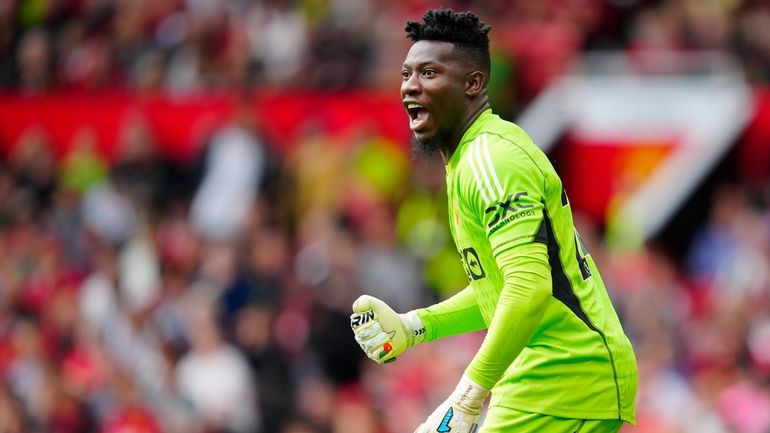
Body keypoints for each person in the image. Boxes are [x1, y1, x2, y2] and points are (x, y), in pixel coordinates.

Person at [350, 8, 637, 433]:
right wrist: (416, 326)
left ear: (473, 83)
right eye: (407, 74)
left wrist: (468, 393)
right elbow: (502, 289)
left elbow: (528, 288)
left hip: (565, 376)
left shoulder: (490, 159)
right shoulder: (473, 158)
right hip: (550, 378)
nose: (411, 87)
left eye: (429, 73)